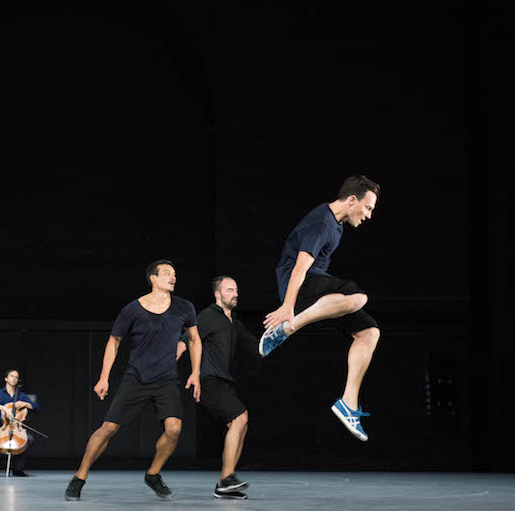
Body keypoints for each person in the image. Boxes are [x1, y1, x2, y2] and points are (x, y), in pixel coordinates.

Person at [64, 260, 202, 501]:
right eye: (167, 273)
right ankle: (79, 477)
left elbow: (193, 339)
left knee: (174, 429)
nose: (173, 277)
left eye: (174, 274)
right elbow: (114, 341)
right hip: (137, 377)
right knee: (109, 428)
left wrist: (196, 372)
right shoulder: (133, 310)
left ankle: (153, 474)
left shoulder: (184, 307)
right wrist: (104, 377)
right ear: (153, 278)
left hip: (166, 379)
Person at [259, 175, 381, 442]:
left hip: (314, 290)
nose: (369, 215)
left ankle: (348, 403)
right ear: (352, 200)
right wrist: (287, 307)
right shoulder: (322, 223)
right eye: (368, 208)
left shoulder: (336, 223)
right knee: (357, 297)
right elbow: (299, 268)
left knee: (369, 332)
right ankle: (290, 325)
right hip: (300, 286)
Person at [183, 275, 257, 499]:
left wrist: (283, 331)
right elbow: (188, 339)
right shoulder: (208, 316)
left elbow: (257, 346)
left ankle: (225, 484)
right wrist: (190, 373)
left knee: (241, 425)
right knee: (240, 418)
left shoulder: (234, 323)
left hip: (223, 382)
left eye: (236, 290)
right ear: (217, 294)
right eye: (229, 290)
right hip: (208, 380)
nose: (235, 294)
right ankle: (226, 479)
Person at [0, 368, 39, 476]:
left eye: (16, 377)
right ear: (6, 378)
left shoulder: (22, 396)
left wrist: (26, 404)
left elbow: (37, 408)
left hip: (17, 428)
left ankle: (17, 468)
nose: (14, 379)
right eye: (12, 376)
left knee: (30, 439)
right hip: (1, 426)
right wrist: (3, 408)